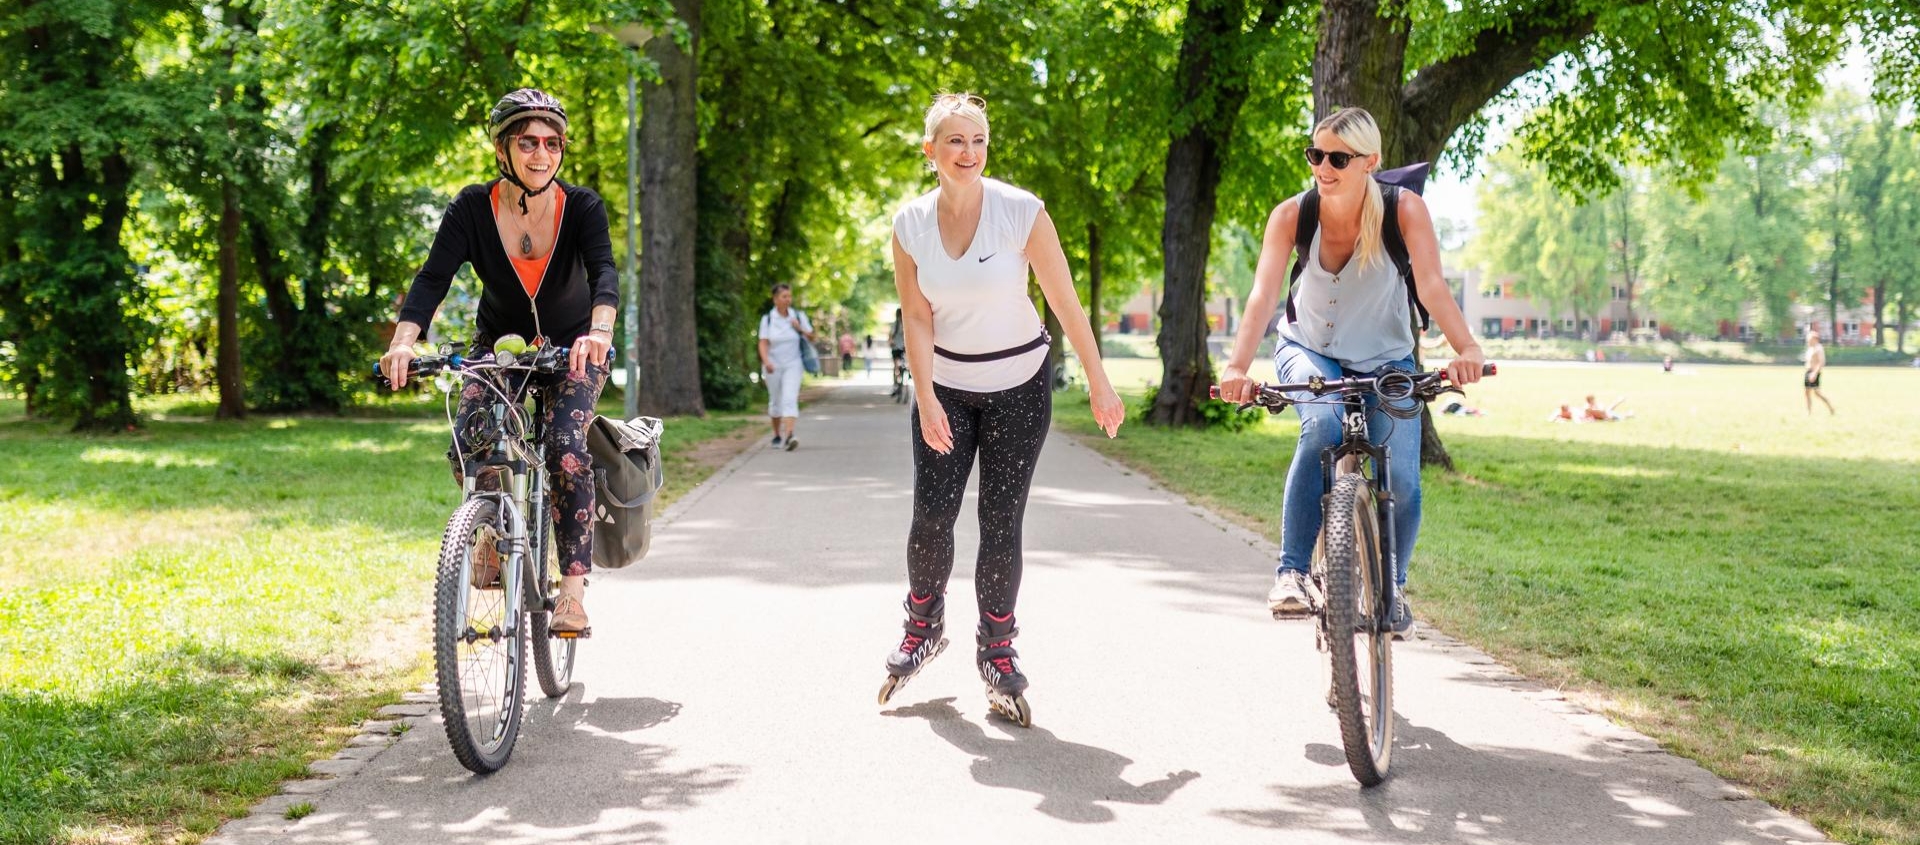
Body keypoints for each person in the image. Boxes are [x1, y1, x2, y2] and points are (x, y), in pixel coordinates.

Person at [880, 93, 1126, 719]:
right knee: (932, 515)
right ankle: (923, 622)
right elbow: (916, 315)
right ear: (929, 150)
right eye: (955, 141)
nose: (969, 152)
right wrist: (926, 396)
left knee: (999, 518)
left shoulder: (1020, 212)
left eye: (979, 141)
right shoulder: (909, 224)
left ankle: (998, 647)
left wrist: (1099, 382)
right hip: (948, 389)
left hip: (1019, 384)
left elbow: (1066, 302)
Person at [1216, 106, 1486, 637]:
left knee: (1403, 478)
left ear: (1370, 162)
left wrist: (1467, 347)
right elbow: (1262, 295)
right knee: (1322, 426)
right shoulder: (1293, 215)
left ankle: (1394, 584)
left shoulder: (1404, 211)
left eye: (1338, 157)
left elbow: (1431, 285)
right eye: (1315, 154)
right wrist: (1236, 365)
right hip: (1309, 349)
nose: (1323, 166)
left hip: (1387, 357)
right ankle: (1292, 573)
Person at [381, 88, 618, 635]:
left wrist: (598, 333)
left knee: (564, 447)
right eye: (528, 141)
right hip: (500, 344)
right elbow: (432, 279)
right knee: (472, 437)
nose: (542, 153)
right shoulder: (471, 207)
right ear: (502, 149)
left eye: (552, 143)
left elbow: (604, 273)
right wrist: (403, 341)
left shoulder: (582, 207)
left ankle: (573, 594)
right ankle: (489, 533)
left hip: (576, 345)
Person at [758, 283, 816, 450]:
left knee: (790, 399)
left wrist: (799, 328)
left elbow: (812, 337)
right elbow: (762, 343)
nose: (788, 300)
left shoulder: (797, 316)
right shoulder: (768, 319)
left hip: (793, 363)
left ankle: (790, 435)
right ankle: (777, 434)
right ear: (775, 299)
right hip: (773, 365)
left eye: (789, 296)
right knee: (775, 401)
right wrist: (766, 361)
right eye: (784, 297)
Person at [1803, 327, 1835, 415]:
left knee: (1817, 393)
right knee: (1806, 392)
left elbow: (1821, 362)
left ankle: (1831, 408)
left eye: (1809, 339)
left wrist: (1814, 373)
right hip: (1808, 372)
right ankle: (1809, 412)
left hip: (1814, 373)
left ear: (1815, 339)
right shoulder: (1810, 348)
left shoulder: (1819, 348)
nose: (1808, 341)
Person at [887, 307, 908, 398]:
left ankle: (897, 382)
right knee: (898, 366)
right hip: (900, 348)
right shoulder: (898, 324)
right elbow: (891, 337)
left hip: (901, 348)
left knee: (898, 366)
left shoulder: (902, 324)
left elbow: (890, 337)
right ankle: (897, 383)